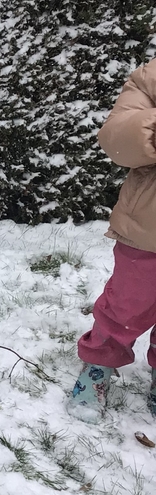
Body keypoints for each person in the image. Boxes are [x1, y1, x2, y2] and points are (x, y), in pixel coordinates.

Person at [69, 56, 156, 421]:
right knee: (126, 305)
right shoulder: (151, 77)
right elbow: (116, 140)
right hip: (147, 229)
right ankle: (98, 367)